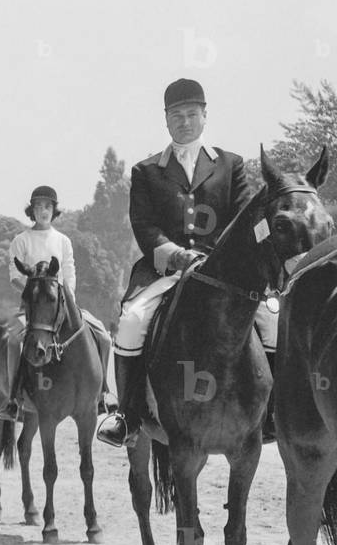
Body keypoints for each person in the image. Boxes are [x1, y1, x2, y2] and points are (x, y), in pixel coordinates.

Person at [95, 78, 278, 448]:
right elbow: (144, 225)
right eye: (176, 115)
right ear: (166, 120)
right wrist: (176, 255)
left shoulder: (231, 165)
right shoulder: (146, 171)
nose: (185, 122)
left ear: (205, 116)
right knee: (131, 322)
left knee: (273, 319)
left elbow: (243, 218)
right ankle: (127, 417)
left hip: (225, 276)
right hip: (167, 273)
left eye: (192, 114)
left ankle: (275, 412)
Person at [0, 185, 114, 421]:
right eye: (38, 206)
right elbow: (15, 277)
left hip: (62, 304)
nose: (43, 211)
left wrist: (65, 297)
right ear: (32, 211)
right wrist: (35, 293)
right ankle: (14, 399)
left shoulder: (63, 240)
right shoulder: (21, 240)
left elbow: (69, 272)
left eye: (48, 206)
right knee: (13, 341)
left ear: (54, 210)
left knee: (102, 335)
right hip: (32, 308)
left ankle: (103, 393)